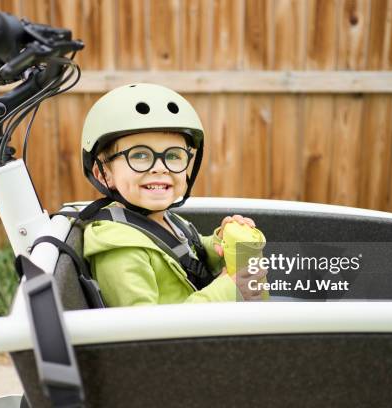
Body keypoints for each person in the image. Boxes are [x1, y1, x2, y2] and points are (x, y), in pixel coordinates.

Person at [80, 83, 266, 307]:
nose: (160, 167)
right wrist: (228, 290)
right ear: (103, 174)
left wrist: (221, 242)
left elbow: (185, 254)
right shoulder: (118, 248)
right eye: (139, 155)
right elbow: (143, 332)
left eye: (174, 155)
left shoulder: (165, 219)